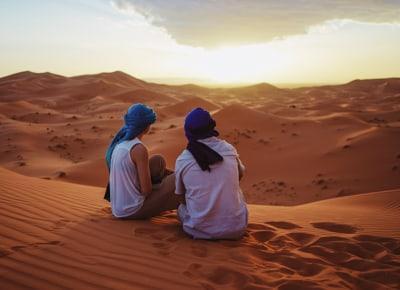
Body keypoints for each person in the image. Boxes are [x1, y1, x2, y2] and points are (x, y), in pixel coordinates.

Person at [175, 107, 248, 239]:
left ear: (188, 131)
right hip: (237, 229)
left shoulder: (183, 159)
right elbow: (240, 174)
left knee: (180, 209)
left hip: (199, 230)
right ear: (211, 126)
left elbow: (180, 198)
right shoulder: (229, 149)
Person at [105, 103, 179, 219]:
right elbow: (146, 191)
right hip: (132, 209)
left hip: (118, 207)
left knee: (158, 161)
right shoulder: (138, 149)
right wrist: (163, 185)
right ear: (146, 127)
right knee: (178, 179)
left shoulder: (120, 143)